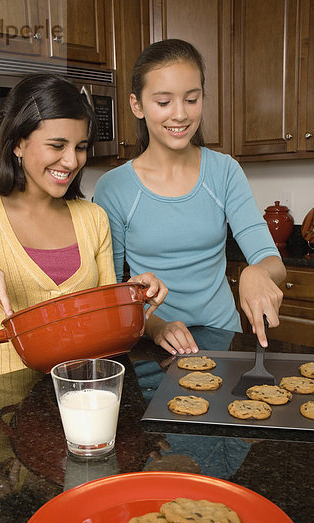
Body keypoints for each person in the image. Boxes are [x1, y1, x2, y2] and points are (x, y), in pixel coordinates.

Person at [0, 74, 167, 379]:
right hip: (6, 402)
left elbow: (104, 321)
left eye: (80, 147)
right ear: (19, 143)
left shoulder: (93, 218)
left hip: (85, 392)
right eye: (57, 145)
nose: (72, 161)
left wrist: (132, 293)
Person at [95, 39, 286, 356]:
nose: (180, 114)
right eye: (163, 102)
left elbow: (272, 261)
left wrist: (258, 272)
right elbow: (112, 293)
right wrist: (156, 327)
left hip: (224, 339)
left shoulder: (224, 171)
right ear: (137, 105)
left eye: (191, 99)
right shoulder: (113, 187)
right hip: (153, 347)